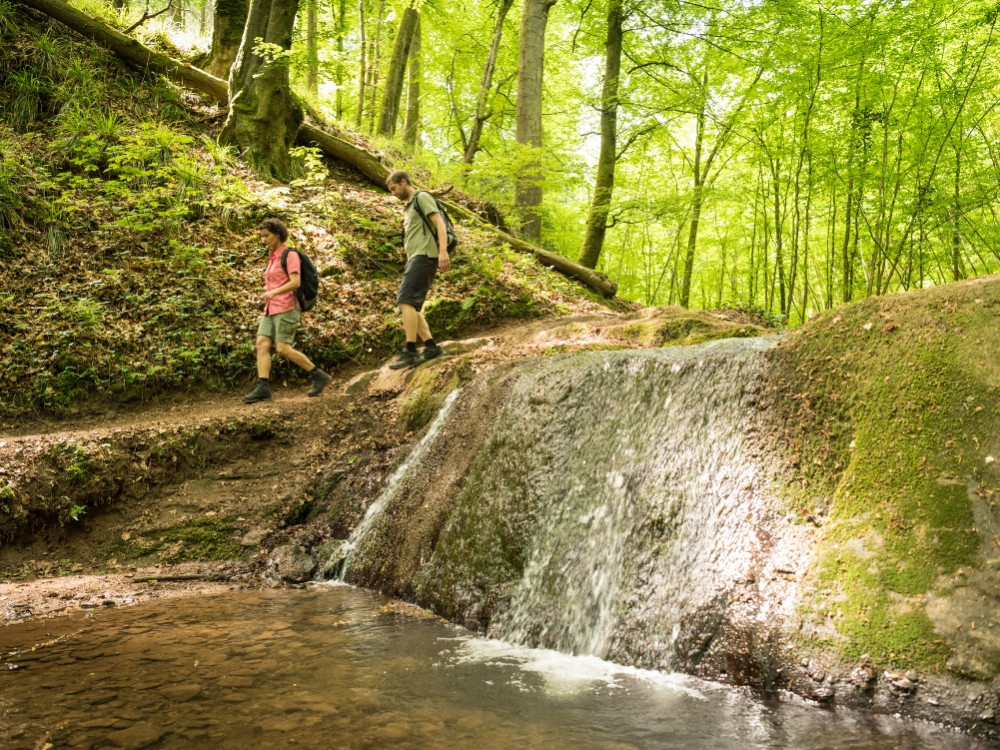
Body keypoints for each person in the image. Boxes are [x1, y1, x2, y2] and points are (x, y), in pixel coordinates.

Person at [243, 218, 332, 403]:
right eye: (262, 236)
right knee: (261, 343)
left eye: (266, 236)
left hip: (287, 307)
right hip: (271, 308)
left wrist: (273, 292)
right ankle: (263, 387)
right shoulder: (272, 256)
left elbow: (295, 282)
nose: (263, 240)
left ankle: (318, 375)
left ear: (278, 234)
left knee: (283, 348)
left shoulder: (289, 254)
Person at [385, 170, 449, 370]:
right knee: (412, 305)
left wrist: (443, 251)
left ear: (404, 182)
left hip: (425, 255)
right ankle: (431, 347)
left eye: (394, 188)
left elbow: (439, 223)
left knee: (405, 300)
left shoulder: (421, 197)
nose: (393, 193)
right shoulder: (410, 206)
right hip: (416, 257)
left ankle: (410, 350)